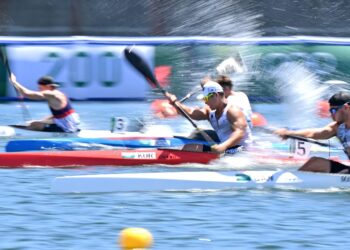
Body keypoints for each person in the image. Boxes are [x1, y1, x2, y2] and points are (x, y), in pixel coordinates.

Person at [166, 81, 252, 154]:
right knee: (189, 147)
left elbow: (240, 132)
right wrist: (175, 102)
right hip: (225, 149)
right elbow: (190, 113)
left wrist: (223, 146)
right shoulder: (209, 112)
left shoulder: (232, 110)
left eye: (206, 98)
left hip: (242, 151)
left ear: (216, 95)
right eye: (204, 99)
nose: (205, 102)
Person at [274, 91, 350, 174]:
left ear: (346, 107)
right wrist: (289, 133)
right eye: (330, 111)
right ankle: (292, 183)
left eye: (333, 111)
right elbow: (313, 133)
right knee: (315, 162)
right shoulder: (338, 128)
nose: (331, 115)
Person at [10, 74, 80, 133]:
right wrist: (41, 121)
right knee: (35, 123)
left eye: (40, 87)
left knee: (34, 125)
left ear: (48, 86)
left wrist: (14, 82)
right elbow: (57, 114)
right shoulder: (59, 94)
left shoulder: (50, 93)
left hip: (67, 126)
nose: (39, 90)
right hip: (70, 122)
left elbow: (27, 94)